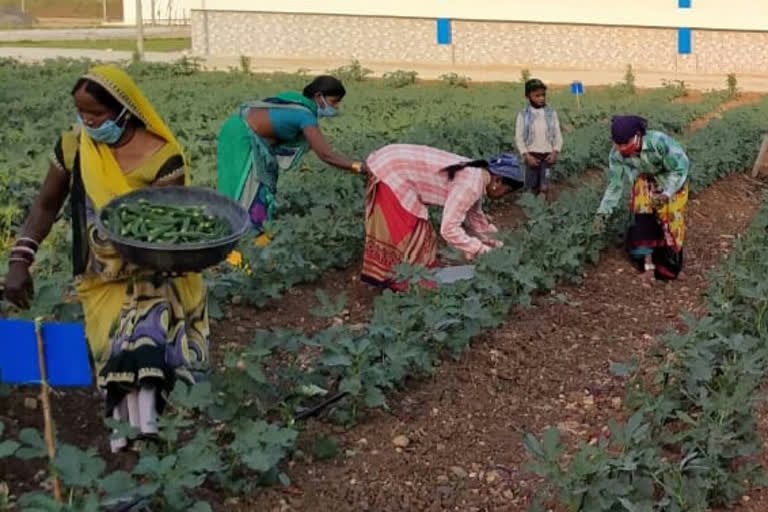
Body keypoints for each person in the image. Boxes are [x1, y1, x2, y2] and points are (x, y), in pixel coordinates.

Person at [3, 65, 209, 453]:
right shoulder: (74, 147)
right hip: (99, 276)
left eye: (95, 114)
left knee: (148, 345)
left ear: (124, 110)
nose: (88, 122)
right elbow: (45, 207)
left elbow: (168, 225)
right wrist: (20, 260)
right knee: (114, 353)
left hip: (154, 272)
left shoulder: (163, 155)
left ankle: (151, 440)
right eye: (82, 113)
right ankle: (125, 442)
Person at [217, 75, 368, 236]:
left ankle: (235, 230)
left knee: (241, 185)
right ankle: (244, 236)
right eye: (334, 102)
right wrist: (359, 166)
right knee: (247, 187)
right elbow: (325, 154)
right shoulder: (304, 115)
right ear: (318, 97)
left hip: (234, 128)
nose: (336, 107)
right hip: (242, 137)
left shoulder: (296, 101)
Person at [361, 144, 522, 290]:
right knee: (405, 231)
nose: (503, 197)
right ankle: (401, 282)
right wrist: (479, 249)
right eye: (506, 191)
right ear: (498, 181)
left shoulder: (479, 175)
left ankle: (411, 276)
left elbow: (475, 217)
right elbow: (449, 229)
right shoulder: (470, 186)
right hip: (393, 171)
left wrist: (497, 242)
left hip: (395, 160)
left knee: (421, 239)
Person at [594, 115, 689, 280]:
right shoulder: (616, 155)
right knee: (643, 218)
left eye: (626, 143)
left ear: (638, 135)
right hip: (643, 182)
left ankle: (670, 265)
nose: (622, 148)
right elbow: (615, 184)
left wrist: (666, 193)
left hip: (671, 181)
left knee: (670, 220)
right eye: (618, 144)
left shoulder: (658, 142)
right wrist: (603, 212)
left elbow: (680, 167)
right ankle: (648, 266)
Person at [515, 78, 563, 199]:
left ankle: (545, 210)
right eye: (537, 95)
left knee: (545, 185)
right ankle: (533, 211)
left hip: (547, 157)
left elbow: (558, 134)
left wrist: (555, 152)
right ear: (528, 96)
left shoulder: (551, 113)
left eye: (543, 95)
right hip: (532, 157)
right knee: (532, 186)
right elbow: (519, 137)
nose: (541, 98)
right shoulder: (523, 115)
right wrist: (526, 155)